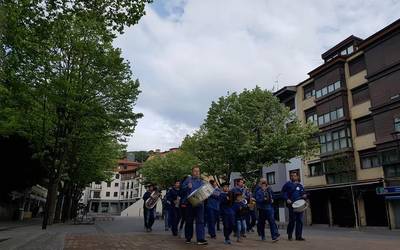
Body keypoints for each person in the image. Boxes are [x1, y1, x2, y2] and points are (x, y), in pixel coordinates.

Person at [181, 166, 208, 245]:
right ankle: (188, 238)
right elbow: (182, 190)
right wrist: (187, 187)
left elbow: (204, 192)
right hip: (190, 203)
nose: (197, 173)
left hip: (200, 204)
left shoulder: (201, 181)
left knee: (200, 221)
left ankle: (200, 239)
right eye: (195, 171)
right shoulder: (188, 180)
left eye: (198, 171)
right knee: (189, 221)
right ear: (192, 172)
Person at [281, 171, 307, 241]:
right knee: (292, 221)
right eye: (292, 176)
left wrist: (304, 195)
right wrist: (287, 199)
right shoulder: (287, 184)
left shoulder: (300, 185)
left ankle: (298, 236)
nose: (293, 177)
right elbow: (283, 192)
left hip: (300, 206)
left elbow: (303, 193)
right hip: (292, 205)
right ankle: (290, 235)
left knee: (300, 221)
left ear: (297, 177)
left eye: (294, 176)